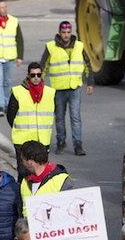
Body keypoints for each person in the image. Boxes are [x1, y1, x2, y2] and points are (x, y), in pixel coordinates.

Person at [39, 21, 94, 156]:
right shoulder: (51, 47)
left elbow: (87, 65)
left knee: (75, 117)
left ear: (71, 33)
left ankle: (78, 144)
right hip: (58, 89)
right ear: (59, 33)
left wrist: (90, 83)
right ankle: (61, 141)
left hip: (74, 87)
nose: (66, 35)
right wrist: (38, 83)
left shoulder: (79, 46)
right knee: (59, 118)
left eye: (68, 32)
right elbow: (43, 66)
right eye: (63, 33)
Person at [8, 63, 56, 174]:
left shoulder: (50, 93)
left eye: (38, 75)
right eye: (33, 75)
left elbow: (55, 112)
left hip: (42, 139)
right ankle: (22, 191)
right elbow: (10, 115)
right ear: (28, 75)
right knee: (23, 172)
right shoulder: (17, 92)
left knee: (41, 172)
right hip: (22, 139)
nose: (36, 78)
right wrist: (19, 129)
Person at [18, 140, 73, 214]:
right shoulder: (25, 181)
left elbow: (70, 211)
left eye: (22, 160)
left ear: (31, 161)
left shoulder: (61, 180)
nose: (21, 163)